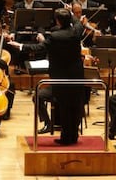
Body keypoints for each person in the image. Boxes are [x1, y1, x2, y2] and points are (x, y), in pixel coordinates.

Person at [9, 8, 85, 145]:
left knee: (64, 106)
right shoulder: (77, 31)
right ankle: (73, 136)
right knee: (74, 105)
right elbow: (78, 23)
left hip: (61, 76)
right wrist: (71, 14)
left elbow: (38, 48)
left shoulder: (56, 36)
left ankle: (66, 138)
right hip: (76, 75)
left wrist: (20, 45)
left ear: (57, 21)